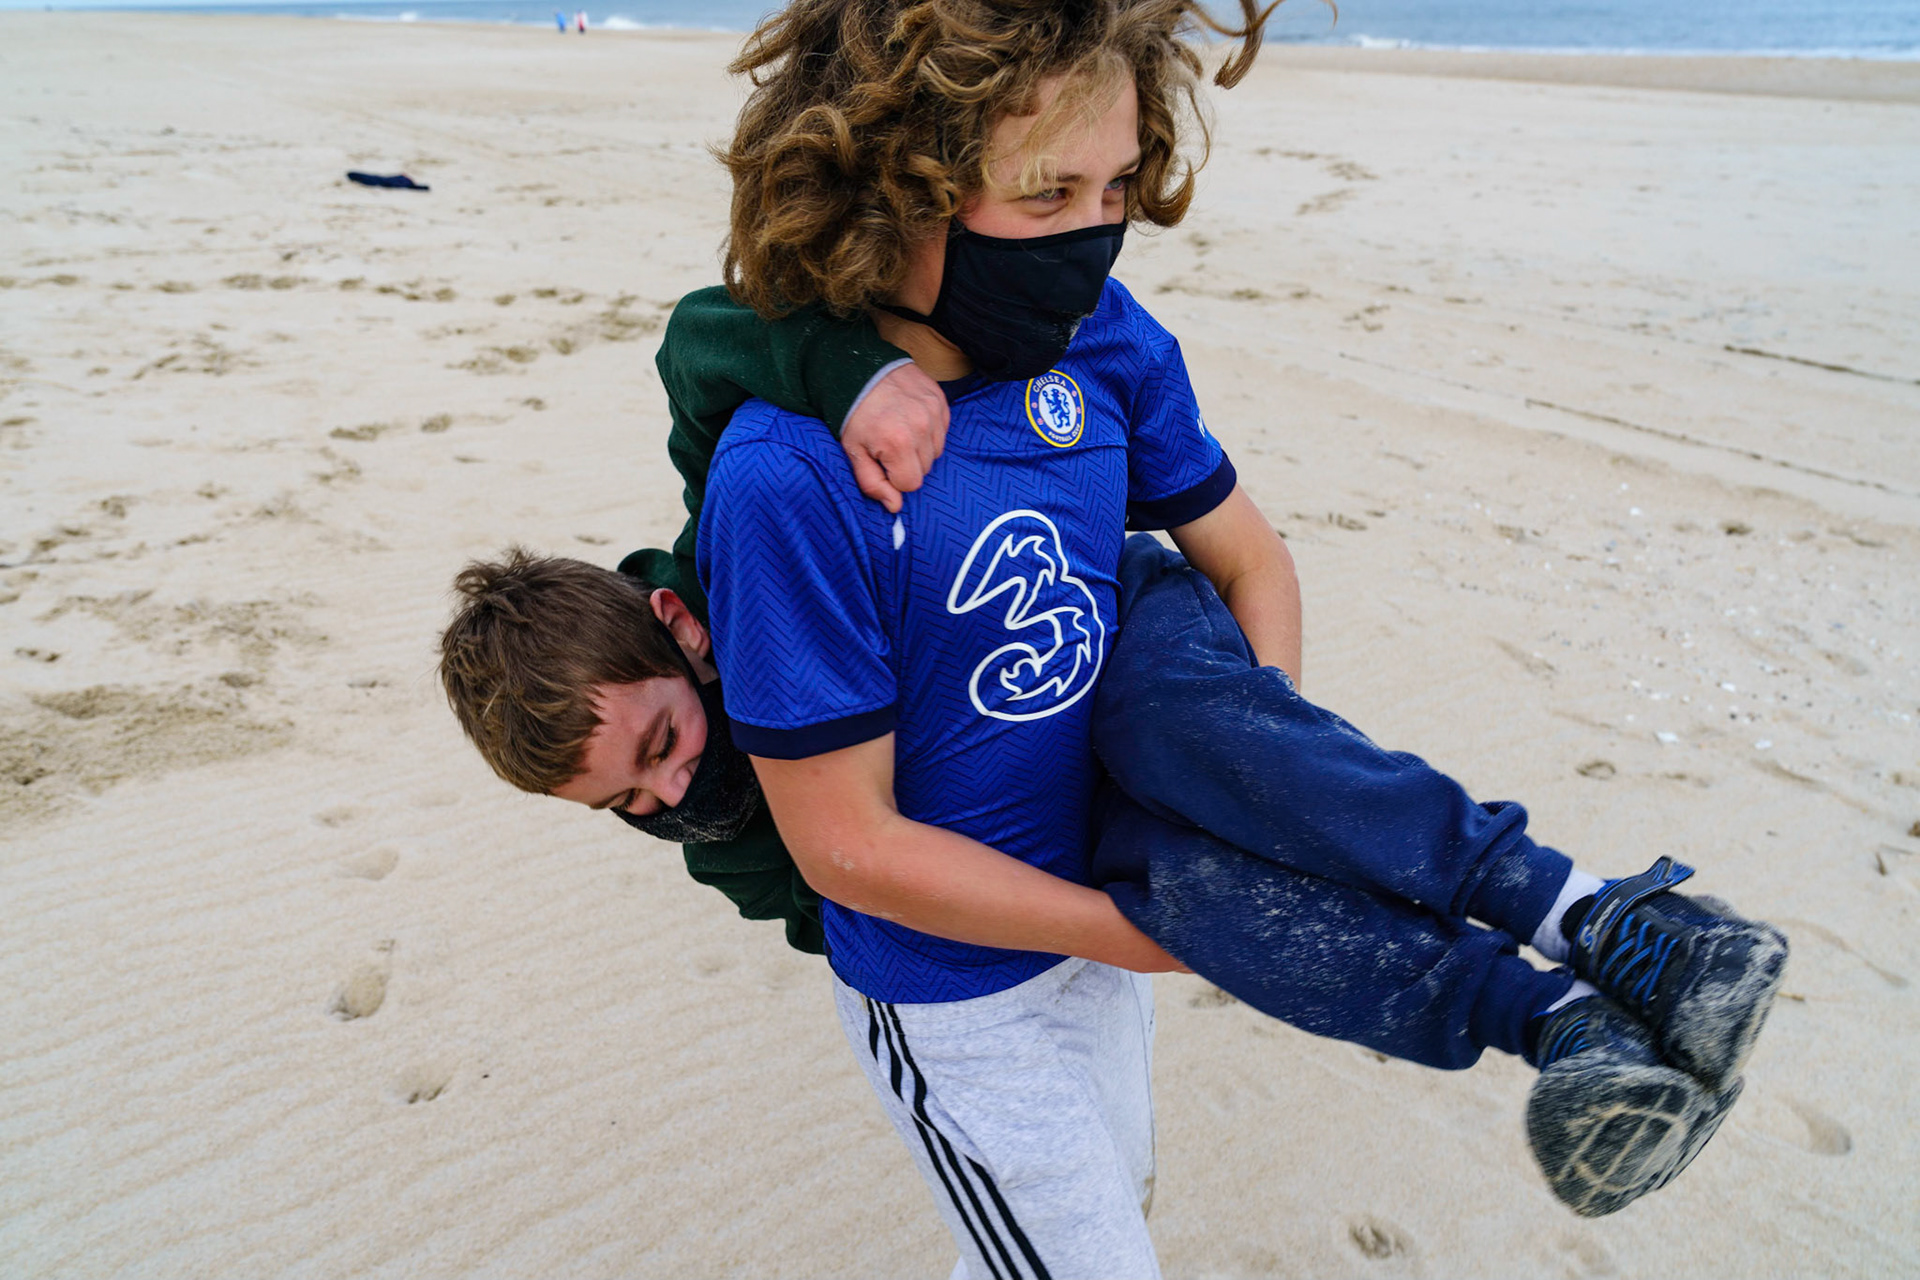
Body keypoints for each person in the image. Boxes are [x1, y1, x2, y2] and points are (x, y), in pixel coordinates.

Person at [442, 0, 1785, 1267]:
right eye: (1046, 196)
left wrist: (1245, 774)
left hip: (1113, 904)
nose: (1092, 237)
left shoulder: (1104, 343)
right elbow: (845, 849)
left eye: (1117, 191)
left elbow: (1251, 556)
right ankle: (1546, 1002)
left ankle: (1588, 982)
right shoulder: (788, 477)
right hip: (962, 997)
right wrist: (1108, 926)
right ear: (897, 185)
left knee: (1093, 1222)